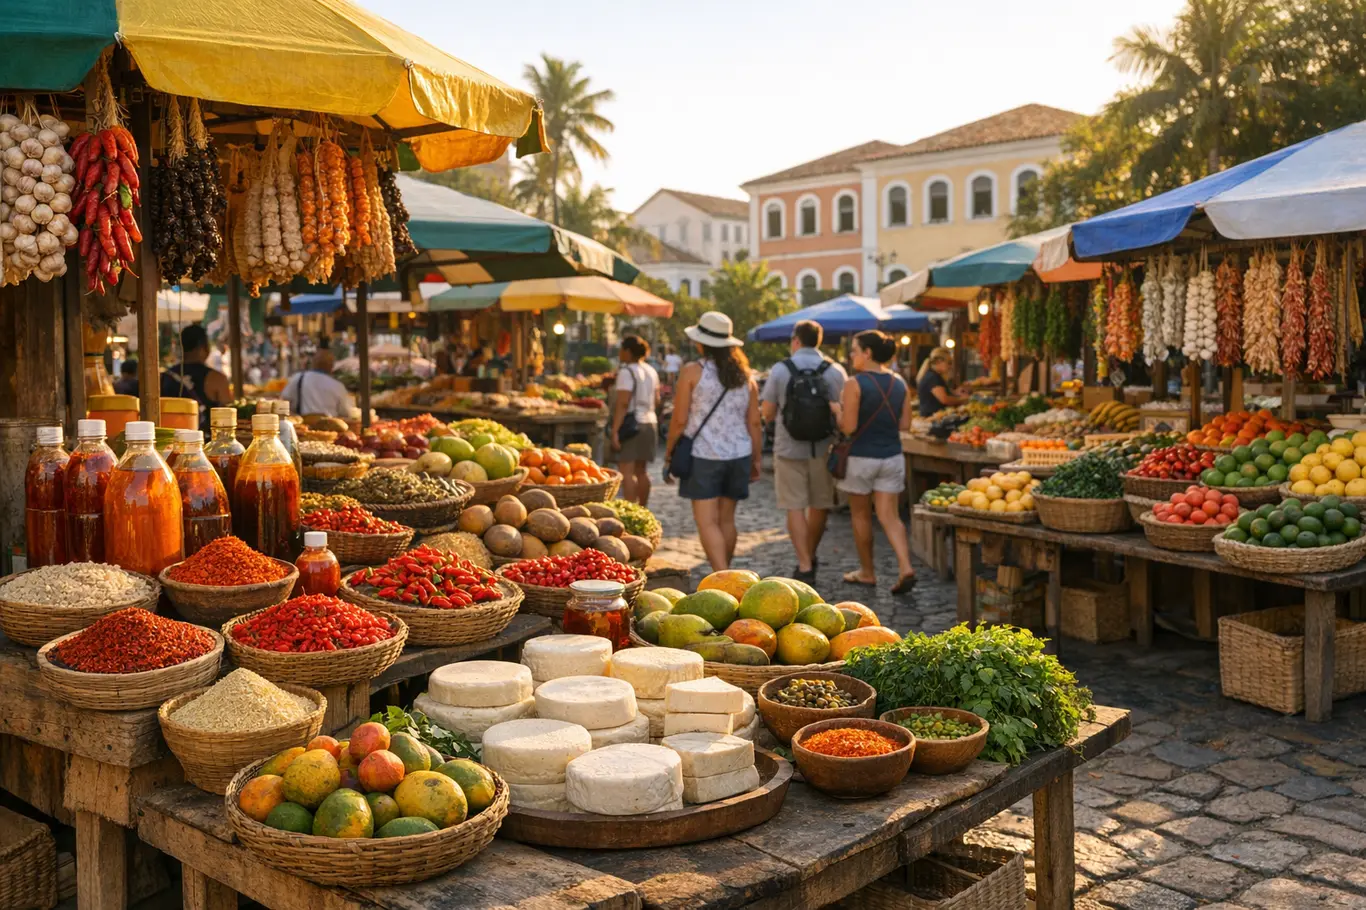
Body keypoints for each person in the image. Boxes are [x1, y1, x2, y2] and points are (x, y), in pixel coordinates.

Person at [665, 312, 762, 572]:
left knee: (707, 522)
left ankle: (722, 577)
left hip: (703, 455)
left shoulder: (693, 372)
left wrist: (669, 451)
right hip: (739, 455)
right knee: (727, 520)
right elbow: (754, 422)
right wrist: (757, 457)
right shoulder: (746, 376)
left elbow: (679, 420)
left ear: (701, 343)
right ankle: (727, 576)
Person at [759, 320, 846, 581]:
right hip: (823, 447)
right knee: (820, 504)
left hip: (788, 448)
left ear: (795, 340)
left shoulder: (781, 370)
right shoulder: (834, 370)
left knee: (794, 507)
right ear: (818, 340)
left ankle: (805, 564)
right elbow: (843, 411)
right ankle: (811, 552)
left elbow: (768, 412)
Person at [837, 330, 916, 593]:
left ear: (867, 353)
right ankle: (905, 566)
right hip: (892, 457)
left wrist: (837, 411)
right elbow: (905, 424)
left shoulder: (854, 384)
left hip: (861, 458)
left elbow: (848, 428)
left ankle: (867, 572)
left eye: (855, 351)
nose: (852, 356)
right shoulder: (900, 383)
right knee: (890, 517)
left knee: (861, 515)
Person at [611, 335, 660, 505]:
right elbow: (657, 400)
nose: (619, 353)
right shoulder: (651, 371)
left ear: (628, 351)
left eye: (621, 349)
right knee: (642, 471)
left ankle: (631, 509)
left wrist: (615, 431)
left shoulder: (626, 372)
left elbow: (623, 403)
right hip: (650, 422)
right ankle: (643, 509)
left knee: (626, 471)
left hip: (633, 424)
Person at [162, 325, 232, 427]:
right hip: (204, 440)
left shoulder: (166, 376)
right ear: (204, 346)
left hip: (169, 438)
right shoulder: (217, 378)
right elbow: (228, 416)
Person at [280, 349, 352, 417]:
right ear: (331, 366)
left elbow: (285, 402)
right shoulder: (338, 386)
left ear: (313, 363)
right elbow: (346, 412)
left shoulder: (298, 378)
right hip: (331, 428)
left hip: (303, 427)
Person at [916, 347, 967, 417]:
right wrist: (963, 399)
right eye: (949, 363)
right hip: (931, 419)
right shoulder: (932, 377)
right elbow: (944, 399)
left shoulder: (934, 375)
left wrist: (954, 393)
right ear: (939, 361)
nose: (950, 366)